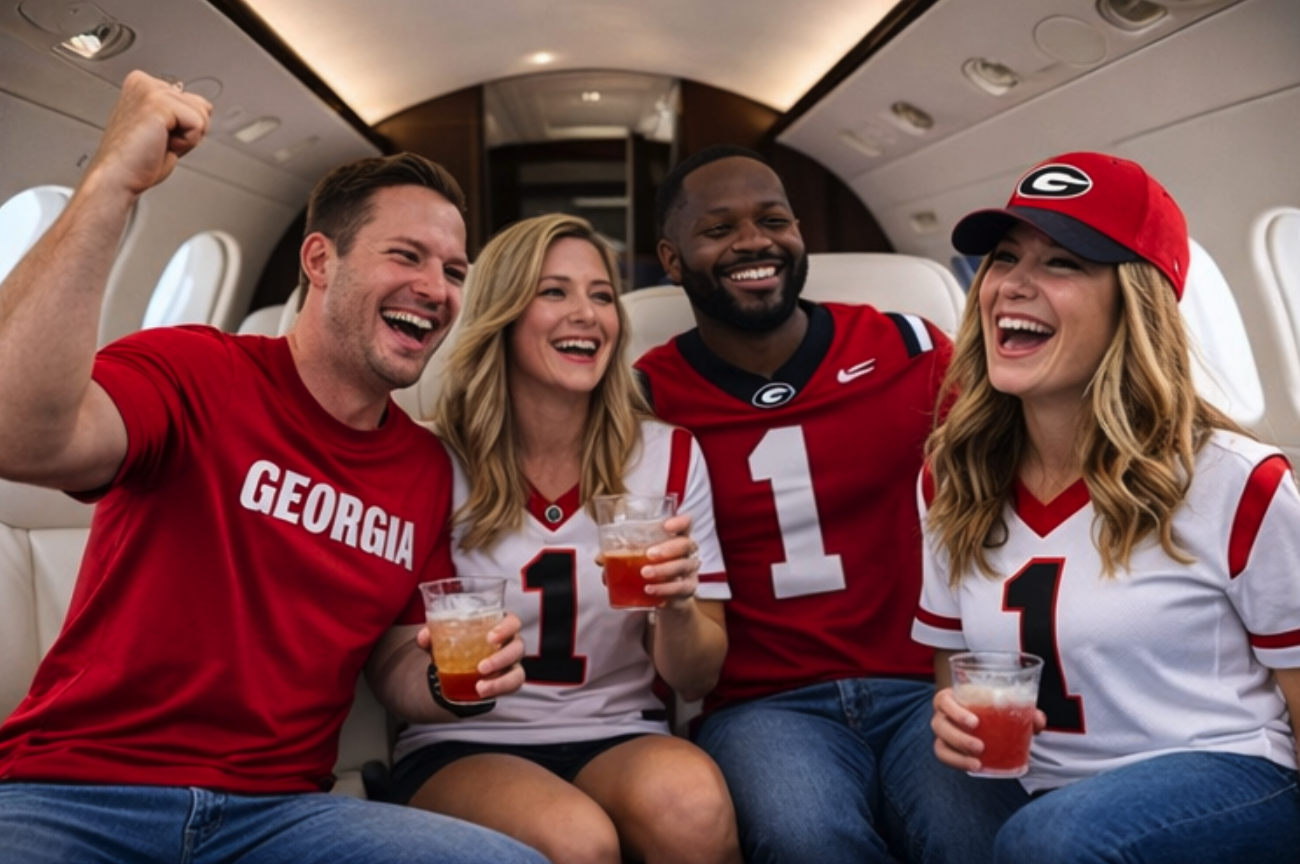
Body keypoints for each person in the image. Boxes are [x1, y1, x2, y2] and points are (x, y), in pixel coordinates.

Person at [0, 70, 545, 864]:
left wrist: (439, 683)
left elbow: (397, 653)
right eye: (407, 256)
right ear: (320, 260)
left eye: (455, 271)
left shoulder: (426, 466)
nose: (435, 289)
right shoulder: (195, 369)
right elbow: (22, 436)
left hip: (278, 816)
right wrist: (114, 178)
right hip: (78, 789)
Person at [914, 151, 1300, 863]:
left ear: (1136, 302)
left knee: (1050, 841)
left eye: (1062, 263)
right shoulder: (953, 475)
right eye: (1004, 258)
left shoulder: (1236, 482)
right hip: (1039, 782)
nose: (1013, 286)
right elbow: (957, 671)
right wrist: (955, 723)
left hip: (1232, 774)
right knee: (920, 776)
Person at [635, 144, 1010, 864]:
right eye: (718, 230)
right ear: (673, 258)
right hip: (763, 705)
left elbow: (1014, 467)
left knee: (975, 837)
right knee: (808, 838)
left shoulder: (906, 346)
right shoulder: (646, 399)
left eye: (773, 220)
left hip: (919, 684)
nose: (753, 242)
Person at [366, 213, 742, 864]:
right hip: (464, 745)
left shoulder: (667, 456)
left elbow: (695, 677)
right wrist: (450, 680)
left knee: (695, 810)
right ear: (504, 314)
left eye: (601, 295)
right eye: (554, 292)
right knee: (576, 840)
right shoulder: (424, 458)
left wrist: (677, 604)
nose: (586, 314)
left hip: (621, 729)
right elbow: (390, 668)